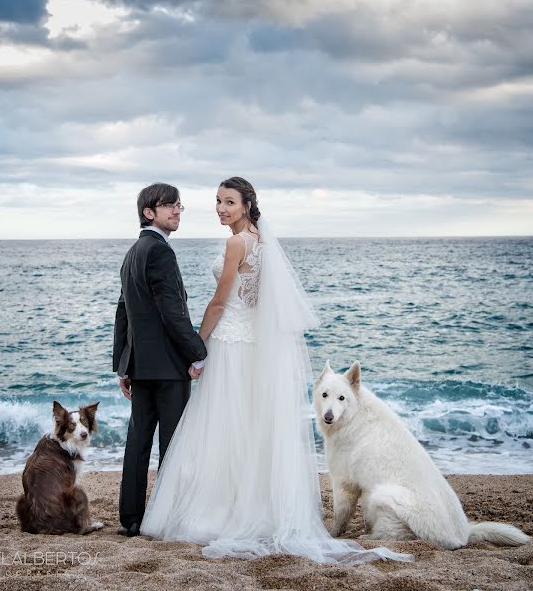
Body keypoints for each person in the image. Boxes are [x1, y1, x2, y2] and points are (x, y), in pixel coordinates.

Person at [140, 177, 412, 563]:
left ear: (247, 204)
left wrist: (196, 348)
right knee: (252, 426)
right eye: (217, 201)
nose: (220, 208)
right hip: (255, 346)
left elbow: (219, 303)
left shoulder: (237, 243)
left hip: (233, 344)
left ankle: (223, 510)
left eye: (229, 202)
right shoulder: (264, 242)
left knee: (225, 427)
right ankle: (257, 507)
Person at [113, 182, 207, 537]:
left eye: (179, 206)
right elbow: (172, 312)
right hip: (168, 367)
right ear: (148, 212)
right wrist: (198, 353)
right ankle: (166, 519)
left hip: (140, 366)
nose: (177, 211)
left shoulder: (132, 252)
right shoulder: (161, 252)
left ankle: (131, 520)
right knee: (172, 444)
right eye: (169, 206)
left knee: (137, 444)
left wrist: (122, 364)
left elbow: (123, 312)